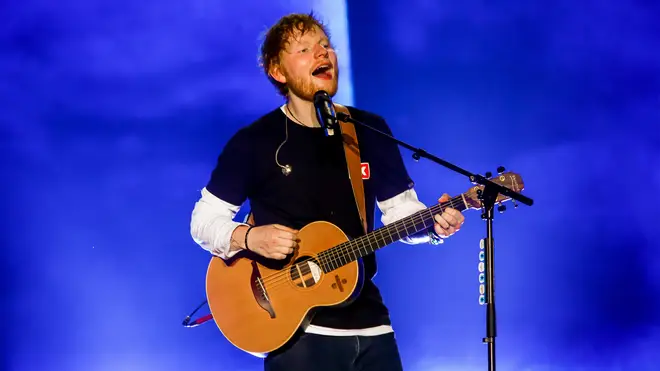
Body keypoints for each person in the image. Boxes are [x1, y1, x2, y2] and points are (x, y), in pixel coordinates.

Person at [190, 12, 465, 371]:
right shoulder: (254, 142)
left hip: (372, 323)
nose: (322, 54)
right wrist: (249, 236)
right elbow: (203, 221)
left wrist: (432, 226)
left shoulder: (367, 130)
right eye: (305, 49)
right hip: (298, 333)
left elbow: (401, 213)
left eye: (325, 45)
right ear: (278, 71)